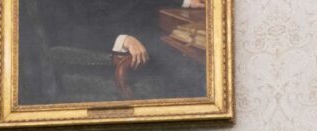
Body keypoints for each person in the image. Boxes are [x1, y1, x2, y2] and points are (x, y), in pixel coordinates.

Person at [18, 0, 206, 104]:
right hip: (103, 51)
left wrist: (185, 2)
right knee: (186, 65)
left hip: (145, 38)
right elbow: (63, 32)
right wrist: (121, 39)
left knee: (193, 56)